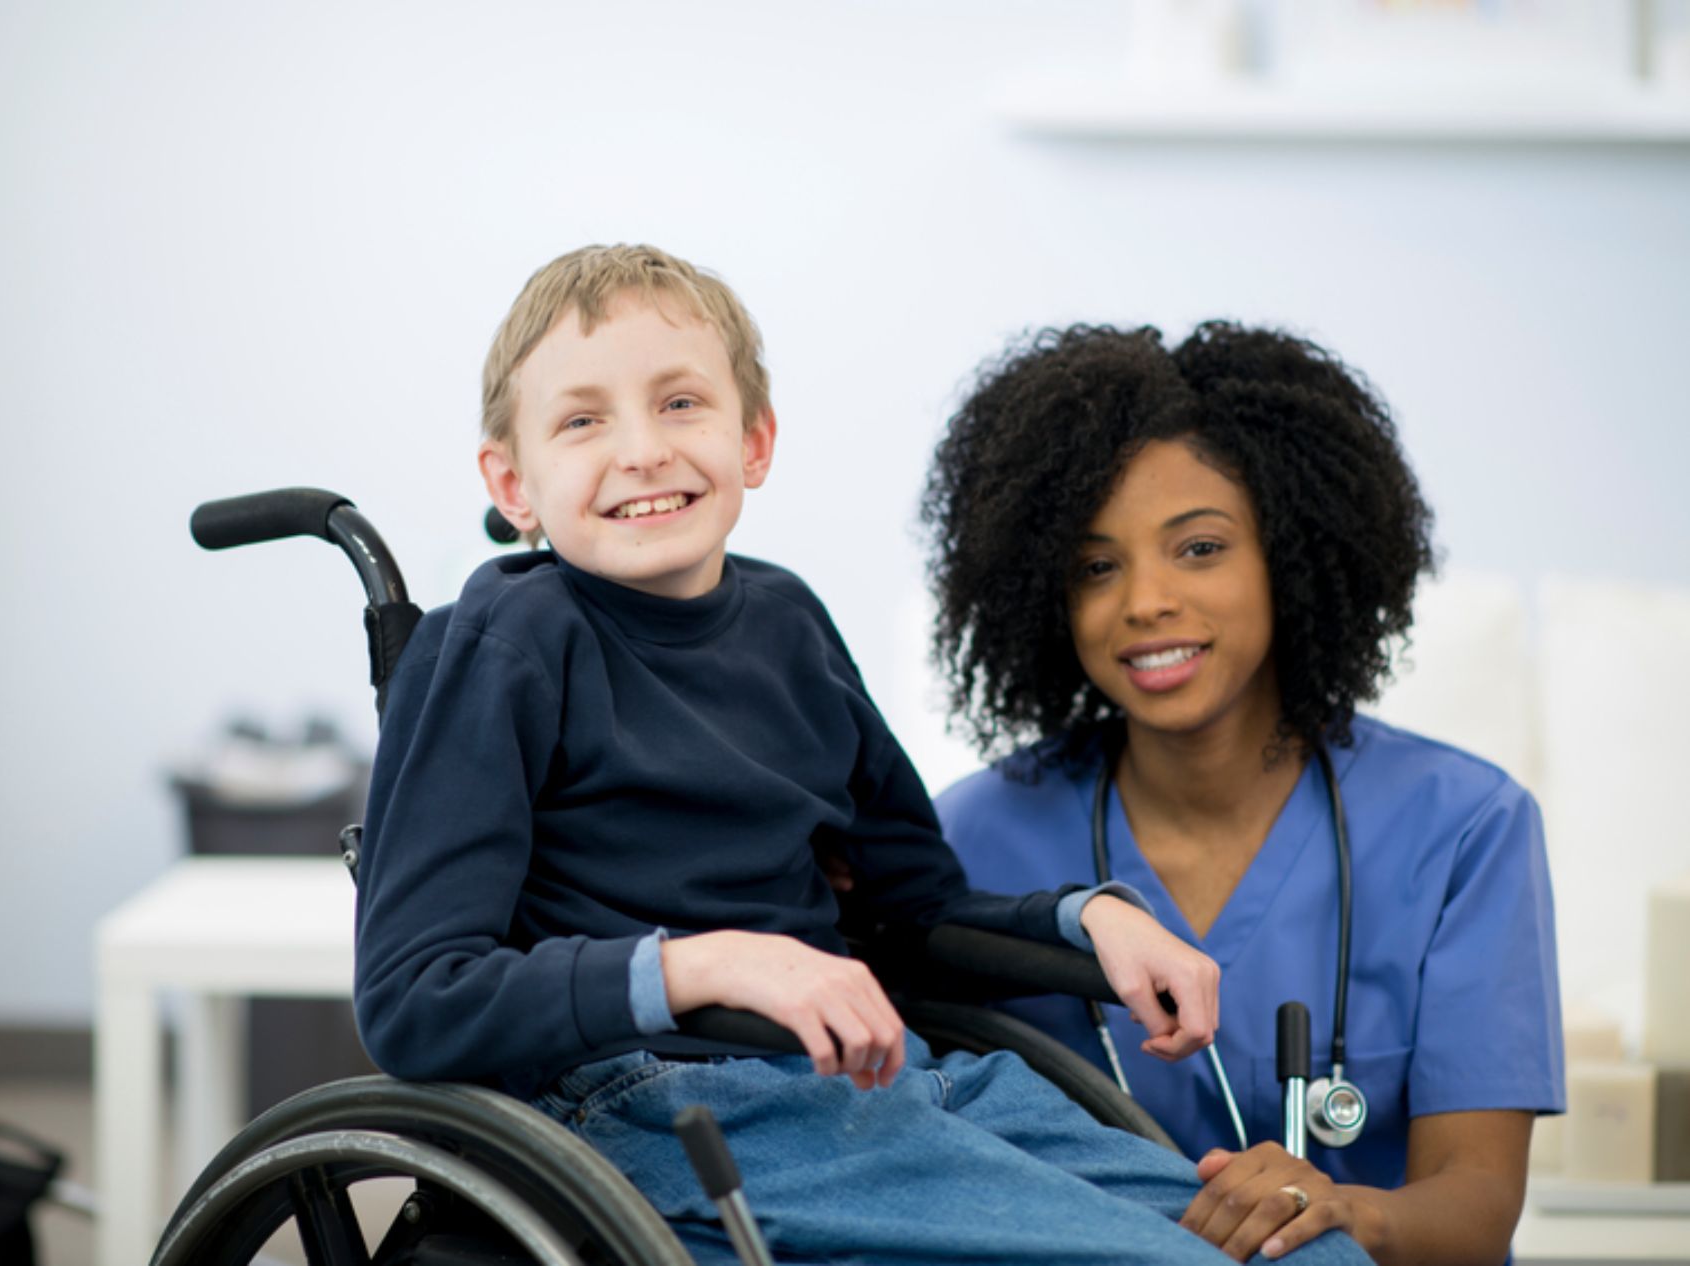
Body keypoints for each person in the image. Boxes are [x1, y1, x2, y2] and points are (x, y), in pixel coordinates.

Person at [351, 246, 1370, 1266]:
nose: (641, 451)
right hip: (664, 1106)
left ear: (754, 441)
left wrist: (1089, 916)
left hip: (889, 1085)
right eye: (582, 421)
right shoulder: (500, 645)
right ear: (511, 482)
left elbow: (909, 913)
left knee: (1314, 1251)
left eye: (680, 405)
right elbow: (415, 999)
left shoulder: (788, 623)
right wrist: (715, 963)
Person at [921, 323, 1562, 1264]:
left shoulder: (1465, 829)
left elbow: (1476, 1209)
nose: (1145, 601)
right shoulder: (977, 837)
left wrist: (1345, 1209)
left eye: (1200, 548)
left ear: (1292, 556)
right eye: (1097, 567)